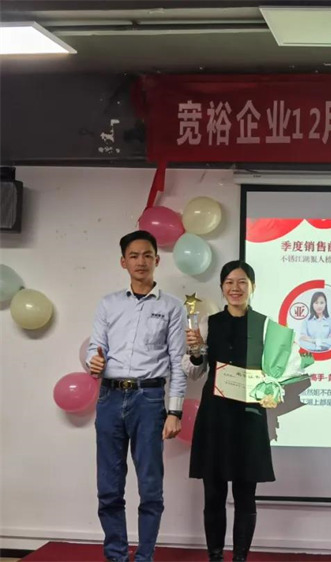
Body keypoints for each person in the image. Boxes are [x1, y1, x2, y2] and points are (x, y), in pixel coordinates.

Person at [183, 260, 310, 562]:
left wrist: (273, 385)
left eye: (242, 282)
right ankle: (215, 557)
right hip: (215, 417)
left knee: (245, 495)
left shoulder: (266, 326)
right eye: (229, 282)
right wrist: (197, 352)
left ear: (253, 287)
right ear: (222, 288)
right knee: (214, 494)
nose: (235, 288)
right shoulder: (208, 324)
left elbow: (281, 367)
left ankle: (240, 558)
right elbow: (193, 372)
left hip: (249, 418)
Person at [87, 230, 187, 562]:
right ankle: (116, 555)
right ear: (123, 262)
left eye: (147, 255)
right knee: (109, 486)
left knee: (150, 486)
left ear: (157, 260)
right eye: (133, 256)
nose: (140, 261)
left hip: (149, 399)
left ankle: (145, 556)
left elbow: (178, 362)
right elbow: (95, 348)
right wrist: (92, 361)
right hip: (110, 398)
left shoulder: (172, 307)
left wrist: (175, 411)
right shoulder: (108, 304)